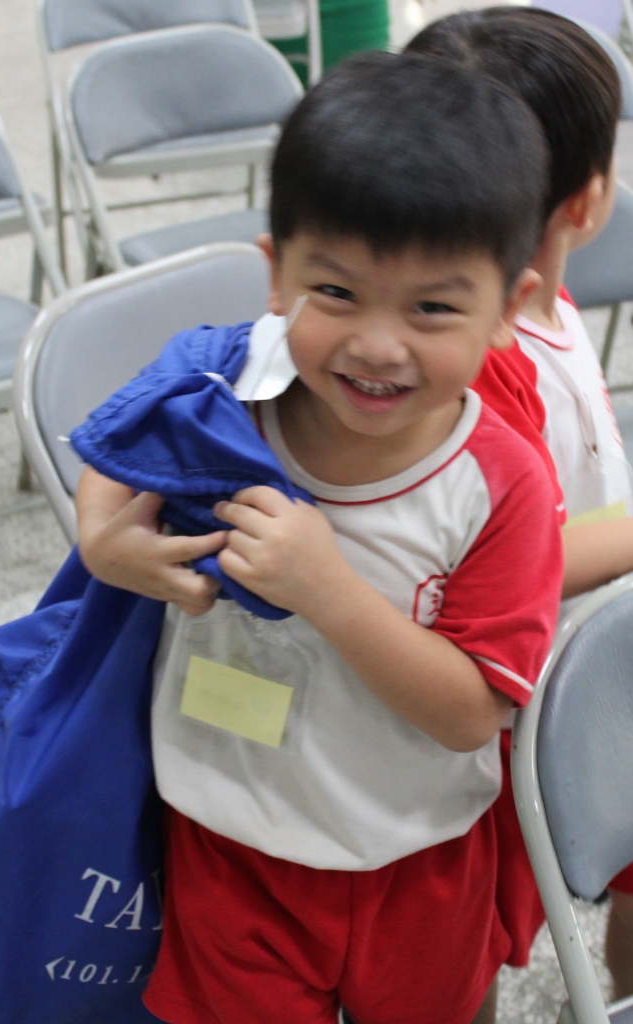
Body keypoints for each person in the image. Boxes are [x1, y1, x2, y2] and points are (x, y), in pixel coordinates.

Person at [75, 51, 562, 1024]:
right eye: (335, 292)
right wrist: (103, 541)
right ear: (275, 274)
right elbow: (120, 435)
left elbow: (474, 713)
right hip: (227, 846)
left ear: (508, 309)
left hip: (417, 858)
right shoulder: (225, 387)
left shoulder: (500, 484)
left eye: (432, 307)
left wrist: (327, 588)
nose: (378, 344)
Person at [408, 7, 633, 1002]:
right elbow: (519, 557)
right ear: (592, 199)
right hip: (519, 694)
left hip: (588, 648)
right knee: (475, 939)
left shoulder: (549, 308)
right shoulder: (481, 361)